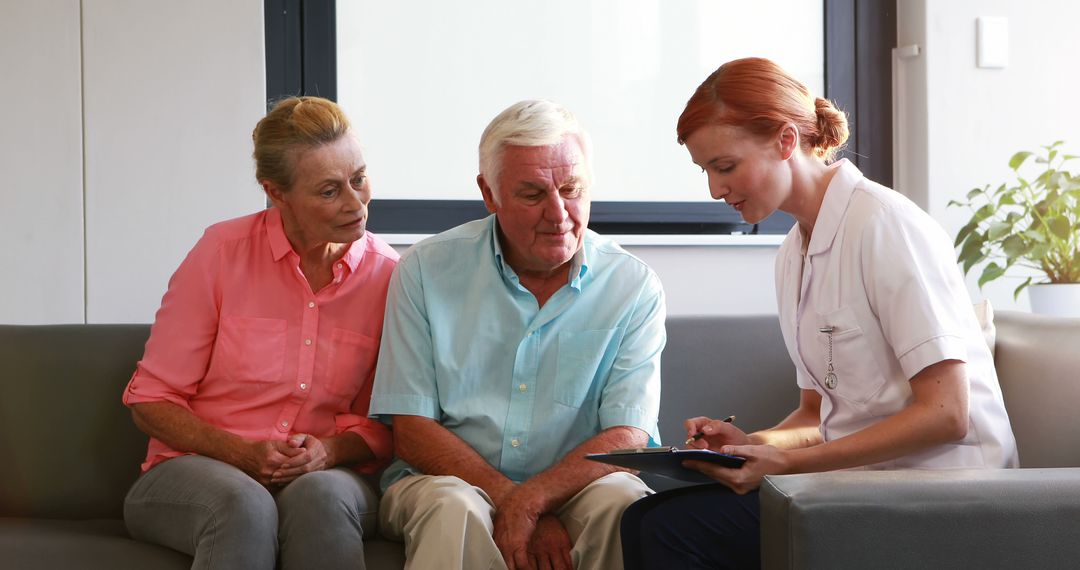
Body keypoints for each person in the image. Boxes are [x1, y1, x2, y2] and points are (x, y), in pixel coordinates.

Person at [619, 57, 1018, 569]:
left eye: (725, 167)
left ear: (787, 141)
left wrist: (787, 463)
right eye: (707, 172)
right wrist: (751, 446)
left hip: (944, 491)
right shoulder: (793, 254)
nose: (715, 190)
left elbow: (947, 414)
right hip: (859, 483)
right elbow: (817, 414)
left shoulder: (885, 226)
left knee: (667, 528)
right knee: (649, 514)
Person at [369, 100, 666, 570]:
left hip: (580, 486)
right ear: (489, 194)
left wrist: (536, 500)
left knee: (625, 502)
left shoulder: (632, 284)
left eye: (572, 189)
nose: (559, 213)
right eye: (532, 194)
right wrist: (519, 501)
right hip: (445, 481)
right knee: (455, 508)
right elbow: (412, 430)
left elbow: (627, 434)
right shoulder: (425, 270)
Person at [122, 96, 399, 570]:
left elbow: (386, 423)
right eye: (330, 191)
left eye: (359, 179)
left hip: (327, 474)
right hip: (195, 470)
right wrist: (242, 453)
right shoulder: (220, 253)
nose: (357, 204)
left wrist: (329, 451)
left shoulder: (390, 276)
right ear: (276, 192)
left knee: (322, 498)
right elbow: (151, 400)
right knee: (243, 504)